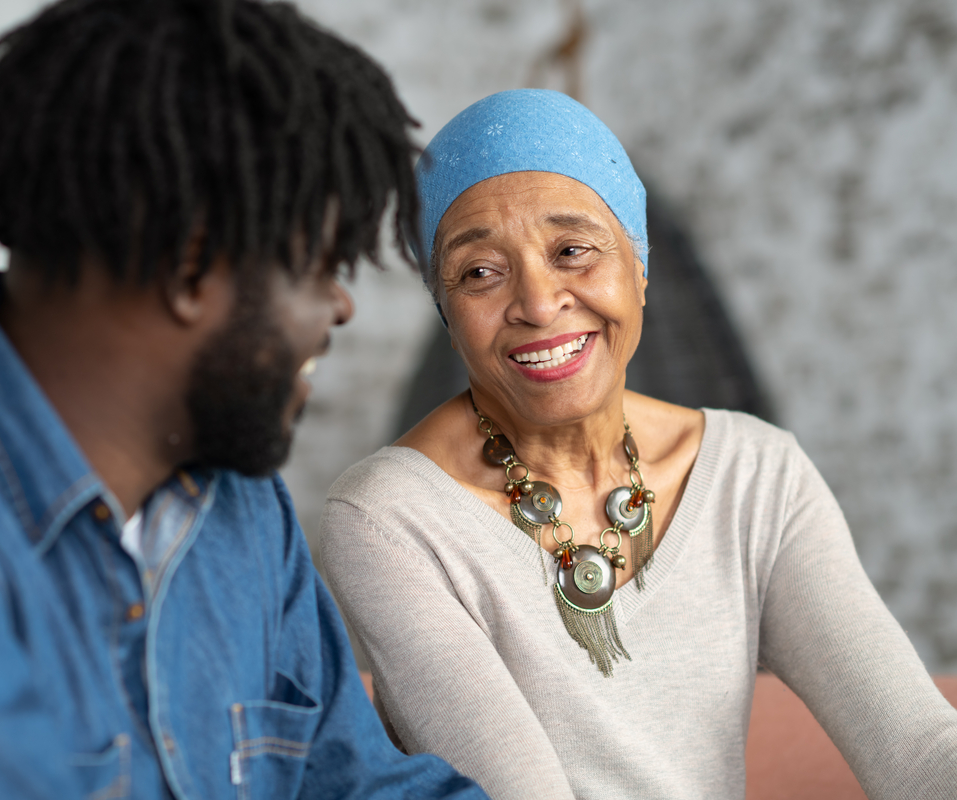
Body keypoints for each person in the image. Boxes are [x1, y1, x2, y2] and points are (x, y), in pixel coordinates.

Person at [0, 2, 491, 798]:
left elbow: (358, 784)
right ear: (191, 268)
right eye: (319, 268)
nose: (339, 308)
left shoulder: (240, 509)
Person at [319, 89, 957, 800]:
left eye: (573, 252)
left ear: (639, 265)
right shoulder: (386, 518)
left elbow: (919, 750)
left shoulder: (757, 476)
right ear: (447, 311)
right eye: (480, 273)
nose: (537, 302)